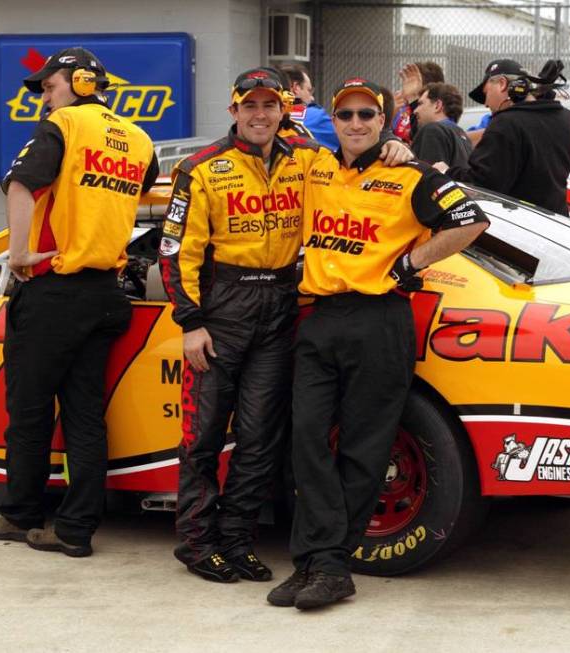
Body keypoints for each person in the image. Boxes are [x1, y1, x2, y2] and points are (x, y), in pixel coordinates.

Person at [159, 68, 413, 584]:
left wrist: (397, 149)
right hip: (221, 307)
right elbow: (174, 250)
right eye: (249, 106)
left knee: (259, 437)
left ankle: (236, 539)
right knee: (204, 434)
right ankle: (197, 541)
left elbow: (358, 163)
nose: (259, 115)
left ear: (284, 110)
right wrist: (191, 321)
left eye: (269, 105)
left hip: (280, 303)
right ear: (233, 111)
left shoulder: (308, 158)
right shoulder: (202, 167)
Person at [267, 77, 489, 611]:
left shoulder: (407, 172)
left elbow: (471, 220)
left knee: (366, 447)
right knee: (306, 440)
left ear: (384, 120)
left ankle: (332, 566)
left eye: (369, 114)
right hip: (321, 317)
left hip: (380, 319)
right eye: (346, 115)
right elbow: (263, 128)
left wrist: (410, 264)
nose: (357, 124)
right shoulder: (314, 165)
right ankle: (316, 558)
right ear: (334, 122)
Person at [0, 47, 159, 558]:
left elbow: (20, 184)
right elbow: (141, 193)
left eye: (48, 86)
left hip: (54, 290)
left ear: (78, 81)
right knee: (84, 417)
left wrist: (18, 254)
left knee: (29, 413)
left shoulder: (62, 126)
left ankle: (18, 514)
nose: (43, 98)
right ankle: (75, 529)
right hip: (105, 295)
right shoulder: (140, 140)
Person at [442, 59, 570, 216]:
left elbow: (482, 183)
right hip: (557, 223)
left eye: (486, 93)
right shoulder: (569, 120)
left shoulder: (506, 123)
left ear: (502, 83)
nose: (486, 104)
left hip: (518, 225)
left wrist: (447, 172)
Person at [411, 82, 472, 168]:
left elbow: (429, 177)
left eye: (420, 104)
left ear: (437, 106)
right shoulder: (463, 137)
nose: (415, 111)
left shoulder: (433, 130)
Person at [279, 63, 338, 151]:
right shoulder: (315, 116)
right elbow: (346, 141)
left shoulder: (266, 117)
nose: (312, 97)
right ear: (296, 88)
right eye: (309, 90)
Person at [392, 61, 444, 144]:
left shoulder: (439, 115)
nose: (402, 91)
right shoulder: (400, 109)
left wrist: (413, 99)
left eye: (409, 84)